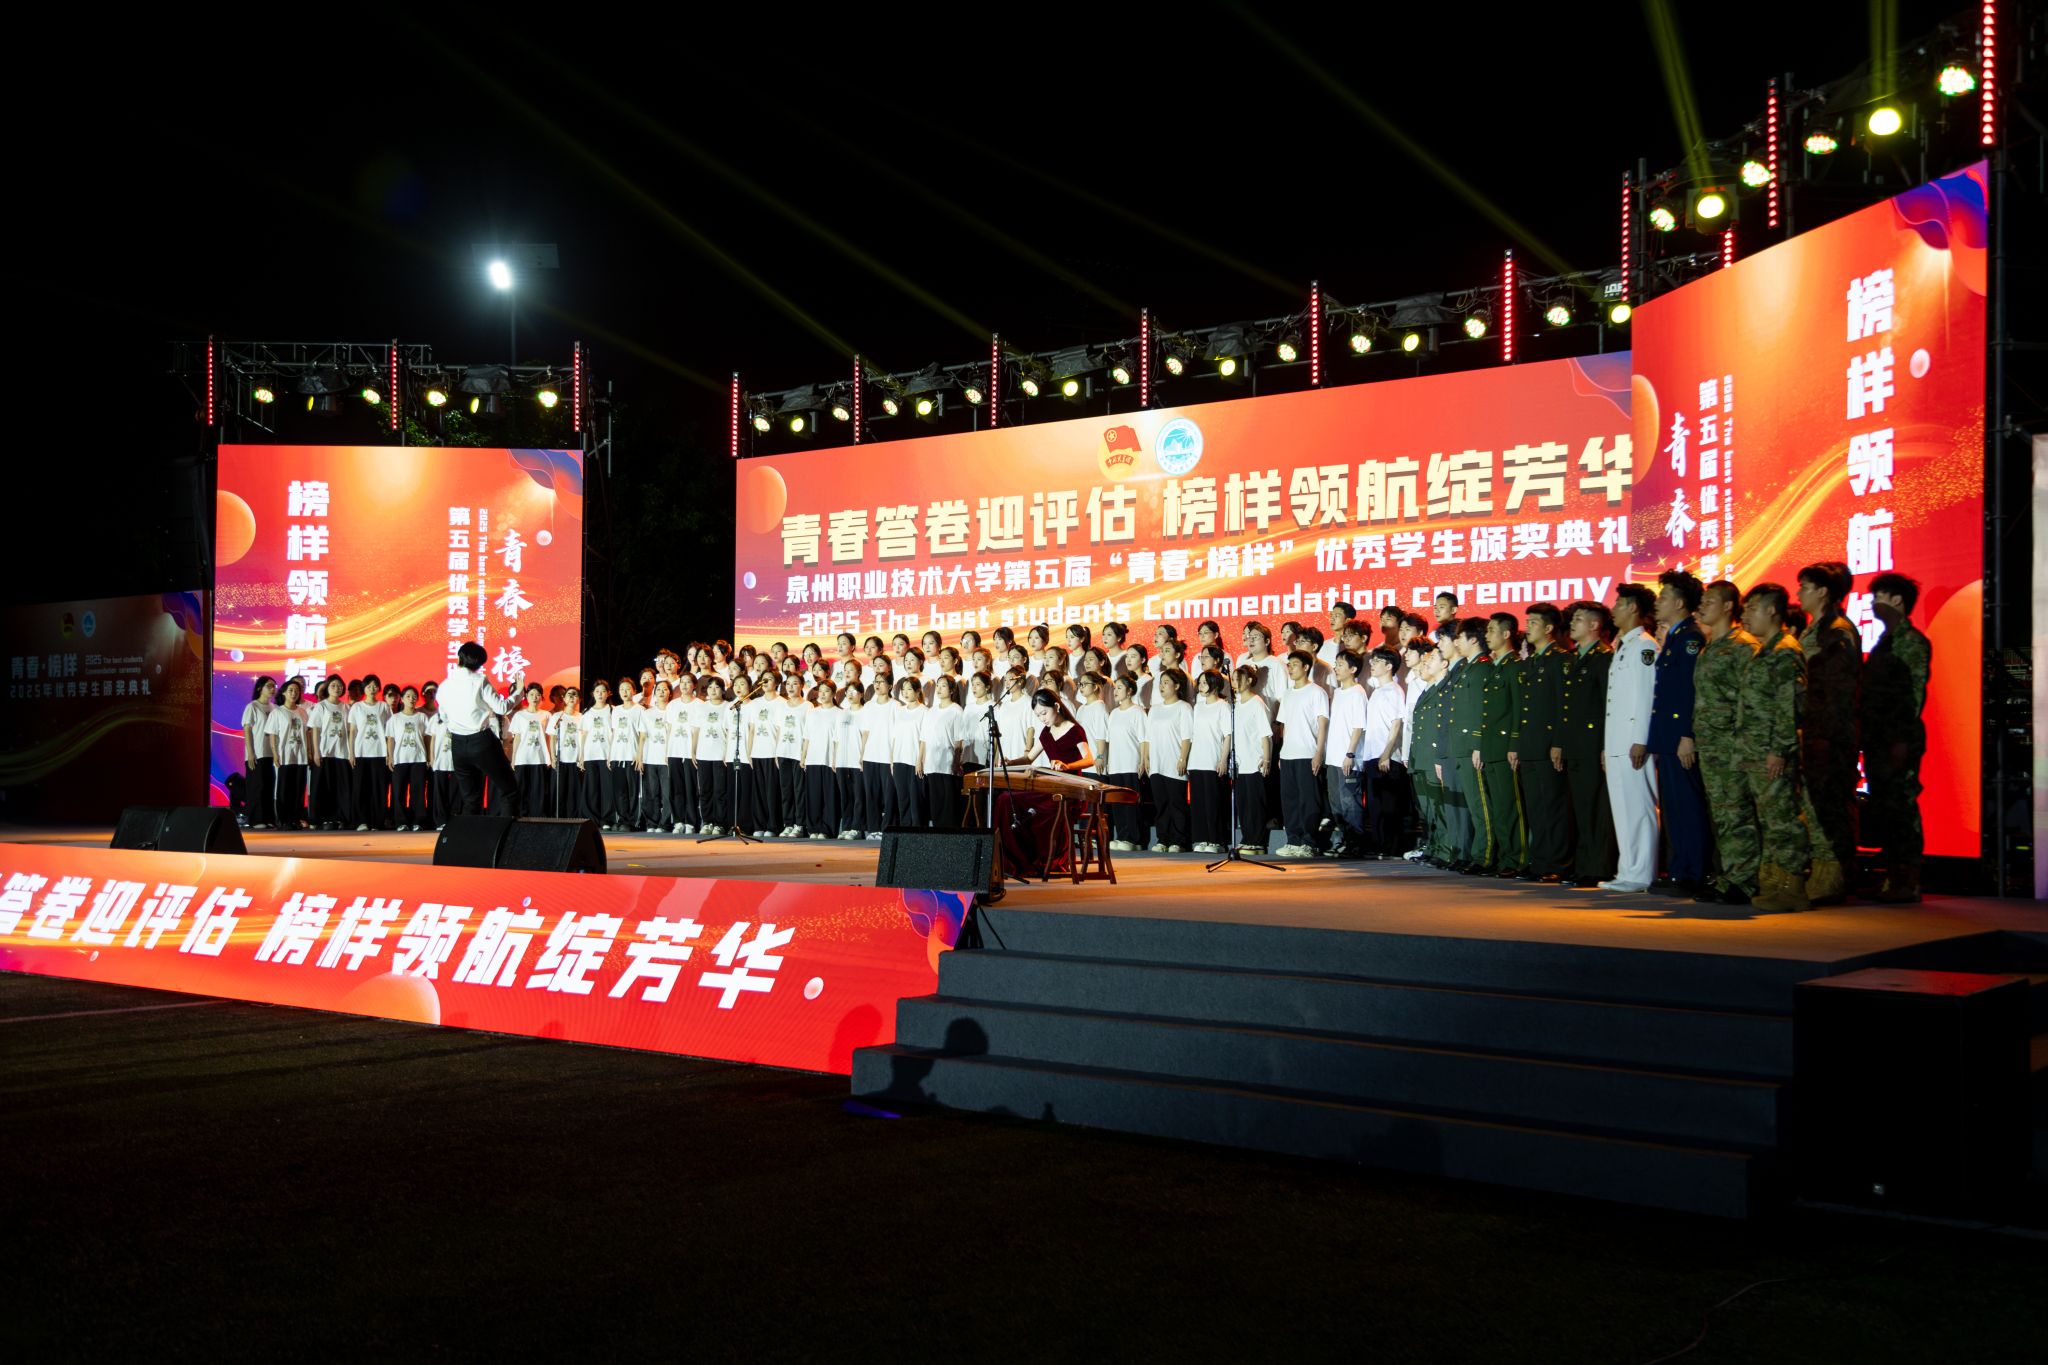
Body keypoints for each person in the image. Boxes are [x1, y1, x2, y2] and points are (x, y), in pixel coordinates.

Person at [1737, 584, 1813, 911]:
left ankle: (1793, 887)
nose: (1745, 615)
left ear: (1771, 611)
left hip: (1772, 751)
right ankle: (1777, 884)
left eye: (1752, 608)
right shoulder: (1764, 649)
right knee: (1769, 818)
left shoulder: (1785, 651)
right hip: (1756, 750)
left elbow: (1788, 705)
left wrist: (1779, 750)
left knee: (1783, 818)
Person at [1861, 572, 1931, 902]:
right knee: (1885, 807)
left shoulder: (1911, 642)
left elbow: (1913, 695)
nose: (1874, 603)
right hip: (1878, 738)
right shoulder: (1884, 642)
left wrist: (1900, 740)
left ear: (1897, 601)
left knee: (1901, 807)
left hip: (1897, 739)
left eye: (1880, 597)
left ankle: (1907, 878)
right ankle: (1892, 876)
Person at [1796, 561, 1863, 903]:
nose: (1799, 594)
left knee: (1829, 804)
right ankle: (1824, 872)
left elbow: (1837, 691)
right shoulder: (1813, 630)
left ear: (1823, 592)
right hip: (1813, 731)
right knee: (1814, 804)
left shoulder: (1837, 632)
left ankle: (1833, 875)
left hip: (1829, 734)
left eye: (1805, 587)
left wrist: (1824, 735)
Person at [1693, 580, 1762, 904]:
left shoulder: (1743, 646)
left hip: (1733, 746)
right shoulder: (1710, 646)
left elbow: (1751, 699)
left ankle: (1744, 881)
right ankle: (1727, 877)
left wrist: (1743, 743)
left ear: (1728, 607)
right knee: (1721, 815)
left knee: (1738, 814)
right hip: (1711, 746)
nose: (1702, 607)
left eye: (1709, 601)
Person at [1649, 571, 1710, 894]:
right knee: (1673, 807)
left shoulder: (1690, 638)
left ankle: (1693, 873)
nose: (1658, 602)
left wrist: (1687, 734)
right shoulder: (1674, 638)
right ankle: (1679, 870)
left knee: (1687, 806)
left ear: (1680, 603)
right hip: (1668, 736)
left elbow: (1690, 691)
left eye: (1663, 596)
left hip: (1681, 738)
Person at [1601, 584, 1660, 892]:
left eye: (1619, 604)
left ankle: (1641, 873)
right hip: (1617, 742)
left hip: (1634, 743)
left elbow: (1646, 695)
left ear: (1634, 608)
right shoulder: (1624, 645)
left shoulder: (1645, 646)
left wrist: (1640, 738)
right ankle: (1627, 871)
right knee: (1623, 810)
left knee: (1639, 808)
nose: (1613, 609)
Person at [1561, 602, 1618, 886]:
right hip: (1575, 744)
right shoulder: (1575, 658)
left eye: (1579, 619)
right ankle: (1583, 863)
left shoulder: (1603, 657)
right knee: (1580, 809)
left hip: (1593, 745)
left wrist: (1606, 745)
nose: (1573, 624)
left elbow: (1609, 705)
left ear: (1595, 625)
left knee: (1596, 809)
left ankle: (1598, 867)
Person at [1515, 605, 1571, 883]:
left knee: (1553, 806)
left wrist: (1559, 741)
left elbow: (1564, 705)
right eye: (1527, 622)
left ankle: (1557, 863)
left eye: (1534, 622)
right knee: (1536, 807)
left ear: (1549, 628)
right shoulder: (1532, 661)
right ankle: (1539, 861)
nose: (1528, 627)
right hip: (1530, 745)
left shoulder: (1560, 659)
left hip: (1549, 745)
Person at [440, 645, 521, 819]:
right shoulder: (479, 680)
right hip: (481, 741)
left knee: (471, 799)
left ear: (459, 657)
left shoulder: (445, 685)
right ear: (480, 664)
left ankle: (469, 835)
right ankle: (507, 833)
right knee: (508, 789)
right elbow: (501, 708)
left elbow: (444, 717)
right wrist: (519, 692)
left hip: (458, 744)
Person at [1477, 614, 1524, 877]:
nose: (1487, 635)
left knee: (1510, 806)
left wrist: (1514, 743)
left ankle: (1516, 859)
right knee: (1499, 808)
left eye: (1492, 630)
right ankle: (1504, 856)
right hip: (1492, 747)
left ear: (1506, 634)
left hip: (1506, 748)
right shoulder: (1496, 667)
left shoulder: (1514, 666)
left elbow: (1518, 709)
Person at [1274, 649, 1329, 858]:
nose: (1290, 668)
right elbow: (1284, 725)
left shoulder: (1317, 692)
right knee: (1290, 800)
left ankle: (1309, 842)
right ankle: (1293, 840)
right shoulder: (1287, 694)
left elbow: (1322, 724)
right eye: (1289, 665)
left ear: (1306, 667)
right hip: (1288, 754)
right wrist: (1282, 752)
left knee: (1309, 800)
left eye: (1295, 664)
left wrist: (1319, 753)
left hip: (1308, 753)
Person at [1430, 627, 1476, 868]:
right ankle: (1458, 852)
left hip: (1461, 748)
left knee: (1464, 806)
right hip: (1449, 748)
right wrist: (1440, 754)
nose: (1440, 645)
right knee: (1453, 805)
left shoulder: (1465, 670)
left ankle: (1466, 853)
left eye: (1444, 640)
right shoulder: (1453, 674)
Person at [1362, 647, 1408, 860]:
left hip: (1387, 757)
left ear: (1389, 666)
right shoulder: (1377, 691)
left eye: (1377, 661)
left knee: (1389, 805)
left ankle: (1392, 848)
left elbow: (1396, 723)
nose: (1372, 664)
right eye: (1372, 660)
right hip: (1372, 755)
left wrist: (1386, 753)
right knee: (1375, 805)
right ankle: (1379, 845)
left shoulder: (1394, 691)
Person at [1142, 667, 1195, 853]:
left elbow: (1187, 737)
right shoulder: (1155, 710)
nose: (1162, 686)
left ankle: (1179, 841)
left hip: (1174, 762)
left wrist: (1183, 758)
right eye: (1160, 683)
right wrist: (1146, 758)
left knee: (1177, 803)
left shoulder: (1184, 707)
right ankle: (1163, 839)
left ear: (1177, 686)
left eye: (1166, 682)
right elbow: (1148, 737)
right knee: (1161, 803)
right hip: (1157, 763)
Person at [1323, 649, 1370, 856]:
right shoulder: (1338, 692)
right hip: (1333, 758)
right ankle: (1342, 841)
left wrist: (1350, 754)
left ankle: (1355, 844)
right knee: (1337, 803)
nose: (1336, 668)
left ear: (1353, 669)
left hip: (1348, 758)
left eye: (1341, 665)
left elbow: (1358, 727)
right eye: (1336, 664)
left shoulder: (1358, 693)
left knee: (1350, 802)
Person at [1183, 670, 1234, 855]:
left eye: (1205, 682)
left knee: (1214, 803)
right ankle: (1202, 838)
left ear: (1214, 684)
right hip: (1197, 760)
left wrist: (1223, 759)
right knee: (1199, 803)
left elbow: (1228, 735)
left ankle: (1217, 840)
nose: (1201, 686)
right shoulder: (1198, 707)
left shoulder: (1223, 706)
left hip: (1213, 760)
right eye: (1200, 682)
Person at [1229, 665, 1274, 855]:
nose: (1234, 682)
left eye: (1238, 678)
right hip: (1240, 763)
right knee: (1243, 803)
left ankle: (1257, 842)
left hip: (1255, 760)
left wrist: (1267, 758)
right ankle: (1247, 838)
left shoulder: (1257, 703)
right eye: (1233, 679)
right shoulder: (1236, 705)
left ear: (1249, 681)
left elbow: (1265, 734)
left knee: (1255, 803)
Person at [1105, 674, 1150, 852]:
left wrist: (1143, 761)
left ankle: (1134, 839)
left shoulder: (1138, 712)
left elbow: (1144, 739)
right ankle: (1122, 835)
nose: (1115, 691)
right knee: (1117, 803)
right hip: (1115, 764)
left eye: (1119, 688)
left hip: (1131, 764)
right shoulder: (1114, 713)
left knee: (1131, 803)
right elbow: (1110, 740)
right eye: (1114, 688)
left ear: (1130, 691)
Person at [920, 675, 968, 829]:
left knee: (948, 804)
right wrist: (920, 760)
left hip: (947, 764)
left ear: (952, 690)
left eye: (943, 686)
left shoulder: (956, 710)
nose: (939, 689)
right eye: (938, 685)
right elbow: (924, 738)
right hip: (931, 763)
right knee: (935, 803)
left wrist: (956, 761)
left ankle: (949, 834)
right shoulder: (931, 711)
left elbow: (959, 739)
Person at [264, 678, 311, 830]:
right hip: (284, 755)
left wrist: (309, 753)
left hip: (301, 756)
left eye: (296, 691)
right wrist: (275, 753)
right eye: (290, 690)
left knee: (298, 788)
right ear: (284, 692)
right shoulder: (277, 712)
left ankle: (296, 819)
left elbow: (307, 734)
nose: (294, 693)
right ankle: (283, 820)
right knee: (284, 788)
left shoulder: (302, 712)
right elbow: (272, 734)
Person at [307, 675, 350, 830]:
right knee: (324, 786)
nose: (337, 688)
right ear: (327, 688)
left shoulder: (346, 707)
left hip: (342, 752)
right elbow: (315, 730)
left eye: (339, 686)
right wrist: (316, 752)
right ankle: (324, 819)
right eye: (333, 685)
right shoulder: (321, 706)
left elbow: (350, 730)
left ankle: (341, 818)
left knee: (341, 787)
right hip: (325, 752)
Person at [346, 676, 390, 831]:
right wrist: (351, 753)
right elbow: (352, 731)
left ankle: (377, 822)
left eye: (375, 686)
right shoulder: (357, 707)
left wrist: (389, 753)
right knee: (360, 787)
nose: (372, 689)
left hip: (380, 752)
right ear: (363, 689)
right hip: (361, 752)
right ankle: (361, 821)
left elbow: (389, 732)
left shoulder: (384, 706)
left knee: (378, 788)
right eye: (369, 686)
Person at [858, 667, 898, 838]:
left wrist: (893, 757)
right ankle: (873, 828)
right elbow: (865, 732)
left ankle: (887, 829)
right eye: (876, 682)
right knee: (871, 794)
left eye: (882, 682)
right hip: (870, 755)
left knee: (889, 795)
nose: (878, 685)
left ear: (890, 686)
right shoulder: (868, 706)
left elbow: (896, 734)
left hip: (887, 756)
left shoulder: (896, 706)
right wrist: (862, 755)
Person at [387, 686, 433, 830]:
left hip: (419, 758)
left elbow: (427, 738)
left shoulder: (422, 717)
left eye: (414, 696)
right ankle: (401, 822)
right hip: (400, 759)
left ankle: (418, 821)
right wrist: (390, 757)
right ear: (402, 699)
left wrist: (429, 756)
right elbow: (390, 739)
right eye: (408, 696)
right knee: (399, 791)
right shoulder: (395, 718)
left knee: (418, 792)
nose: (411, 699)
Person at [800, 681, 841, 839]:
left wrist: (835, 759)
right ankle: (813, 827)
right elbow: (807, 737)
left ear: (833, 694)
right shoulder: (812, 712)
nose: (822, 694)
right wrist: (803, 756)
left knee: (829, 795)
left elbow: (837, 740)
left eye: (826, 691)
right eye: (820, 691)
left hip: (829, 759)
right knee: (814, 795)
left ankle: (827, 829)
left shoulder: (838, 713)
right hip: (813, 758)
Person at [692, 676, 732, 835]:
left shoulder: (728, 707)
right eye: (710, 687)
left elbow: (729, 732)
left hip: (720, 754)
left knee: (720, 791)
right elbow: (696, 730)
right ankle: (707, 821)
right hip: (703, 754)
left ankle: (719, 823)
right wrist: (693, 750)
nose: (713, 690)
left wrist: (727, 753)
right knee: (705, 790)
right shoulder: (701, 707)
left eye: (716, 687)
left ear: (723, 690)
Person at [508, 683, 554, 819]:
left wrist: (550, 757)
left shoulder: (546, 715)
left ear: (541, 697)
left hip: (539, 757)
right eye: (532, 694)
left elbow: (549, 737)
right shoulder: (519, 716)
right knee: (521, 788)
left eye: (538, 695)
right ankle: (521, 816)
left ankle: (538, 817)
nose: (535, 697)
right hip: (522, 757)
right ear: (526, 696)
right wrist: (514, 758)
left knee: (538, 790)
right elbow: (517, 738)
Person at [744, 676, 781, 837]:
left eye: (769, 679)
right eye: (763, 680)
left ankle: (773, 825)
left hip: (772, 752)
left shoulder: (781, 703)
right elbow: (752, 729)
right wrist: (749, 752)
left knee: (772, 790)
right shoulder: (755, 703)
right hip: (757, 751)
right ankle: (759, 825)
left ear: (777, 683)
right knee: (758, 791)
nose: (765, 683)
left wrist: (778, 752)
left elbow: (779, 730)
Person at [239, 676, 278, 830]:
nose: (273, 689)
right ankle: (256, 819)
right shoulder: (252, 706)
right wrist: (250, 753)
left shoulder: (275, 708)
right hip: (257, 753)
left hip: (272, 753)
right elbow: (247, 730)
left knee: (269, 786)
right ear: (259, 688)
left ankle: (268, 818)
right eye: (269, 686)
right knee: (257, 786)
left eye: (274, 686)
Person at [889, 676, 927, 828]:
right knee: (902, 798)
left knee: (916, 799)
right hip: (899, 759)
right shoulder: (899, 711)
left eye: (909, 689)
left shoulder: (924, 711)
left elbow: (924, 739)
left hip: (914, 760)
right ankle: (905, 830)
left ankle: (918, 831)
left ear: (918, 691)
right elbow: (894, 737)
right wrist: (892, 760)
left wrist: (920, 760)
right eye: (903, 689)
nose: (905, 692)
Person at [638, 679, 675, 833]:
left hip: (667, 758)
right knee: (651, 792)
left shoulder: (673, 711)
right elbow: (642, 736)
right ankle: (652, 823)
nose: (661, 692)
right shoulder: (647, 713)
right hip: (650, 757)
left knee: (667, 793)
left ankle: (665, 823)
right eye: (658, 689)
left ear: (670, 693)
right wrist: (639, 757)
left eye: (665, 689)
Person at [832, 683, 867, 840]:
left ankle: (857, 827)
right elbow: (836, 738)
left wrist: (863, 756)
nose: (850, 694)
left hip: (857, 760)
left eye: (854, 691)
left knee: (858, 795)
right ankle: (846, 826)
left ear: (861, 694)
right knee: (845, 795)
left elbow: (866, 736)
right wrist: (834, 758)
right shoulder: (842, 713)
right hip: (841, 760)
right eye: (848, 692)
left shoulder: (865, 713)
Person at [775, 675, 808, 837]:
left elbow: (808, 733)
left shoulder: (807, 706)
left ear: (801, 686)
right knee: (786, 789)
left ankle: (799, 824)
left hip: (798, 753)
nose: (791, 687)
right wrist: (776, 752)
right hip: (783, 751)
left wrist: (804, 754)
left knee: (799, 790)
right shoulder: (781, 706)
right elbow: (779, 730)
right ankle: (788, 823)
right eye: (788, 684)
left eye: (795, 684)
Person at [554, 686, 586, 823]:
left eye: (575, 695)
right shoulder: (557, 716)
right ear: (564, 698)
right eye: (569, 695)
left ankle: (574, 818)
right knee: (561, 790)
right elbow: (552, 737)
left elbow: (584, 738)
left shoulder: (581, 717)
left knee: (575, 790)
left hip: (575, 758)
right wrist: (553, 757)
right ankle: (560, 818)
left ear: (579, 699)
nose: (572, 697)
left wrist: (582, 756)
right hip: (561, 758)